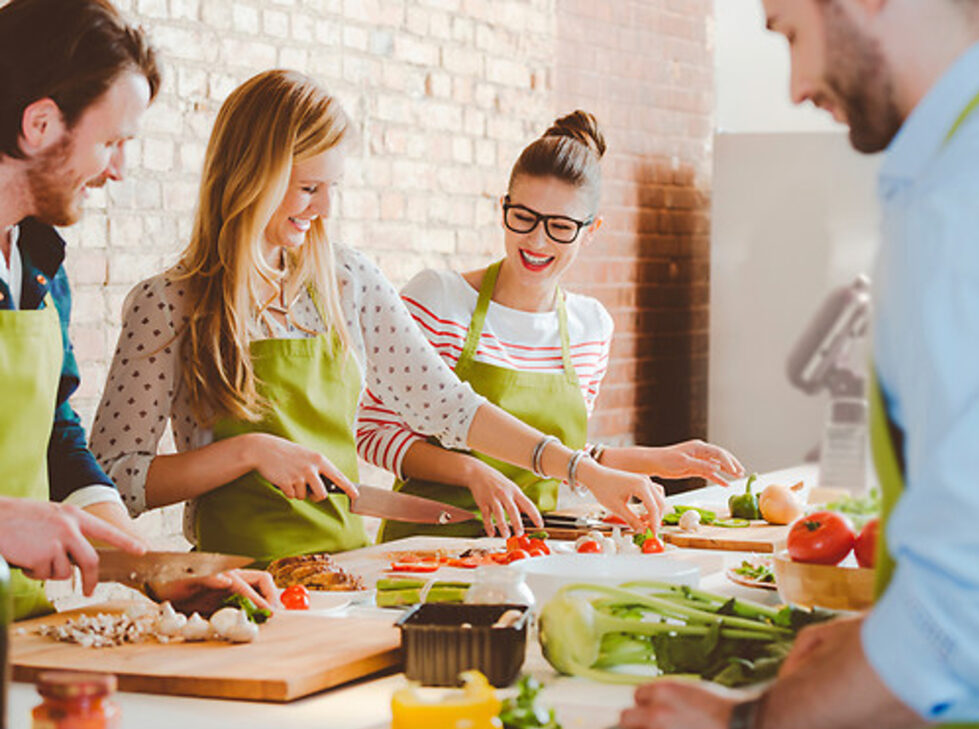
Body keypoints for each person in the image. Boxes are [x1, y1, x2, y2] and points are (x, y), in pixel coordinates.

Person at [621, 1, 979, 729]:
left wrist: (745, 720)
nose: (795, 87)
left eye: (790, 32)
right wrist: (878, 648)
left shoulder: (971, 196)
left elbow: (975, 614)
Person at [89, 69, 667, 566]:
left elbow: (450, 408)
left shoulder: (347, 282)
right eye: (308, 187)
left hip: (345, 577)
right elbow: (113, 476)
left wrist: (584, 473)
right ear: (249, 176)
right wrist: (248, 452)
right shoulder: (169, 303)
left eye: (331, 186)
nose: (324, 210)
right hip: (231, 584)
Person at [0, 0, 273, 620]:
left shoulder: (37, 263)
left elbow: (52, 436)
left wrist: (148, 568)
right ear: (40, 124)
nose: (119, 170)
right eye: (112, 142)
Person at [356, 111, 744, 541]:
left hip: (530, 552)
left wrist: (656, 459)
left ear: (591, 231)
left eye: (560, 227)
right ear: (503, 207)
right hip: (426, 552)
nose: (537, 241)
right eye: (524, 217)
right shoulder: (439, 300)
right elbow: (373, 431)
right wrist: (471, 472)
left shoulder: (590, 327)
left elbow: (563, 458)